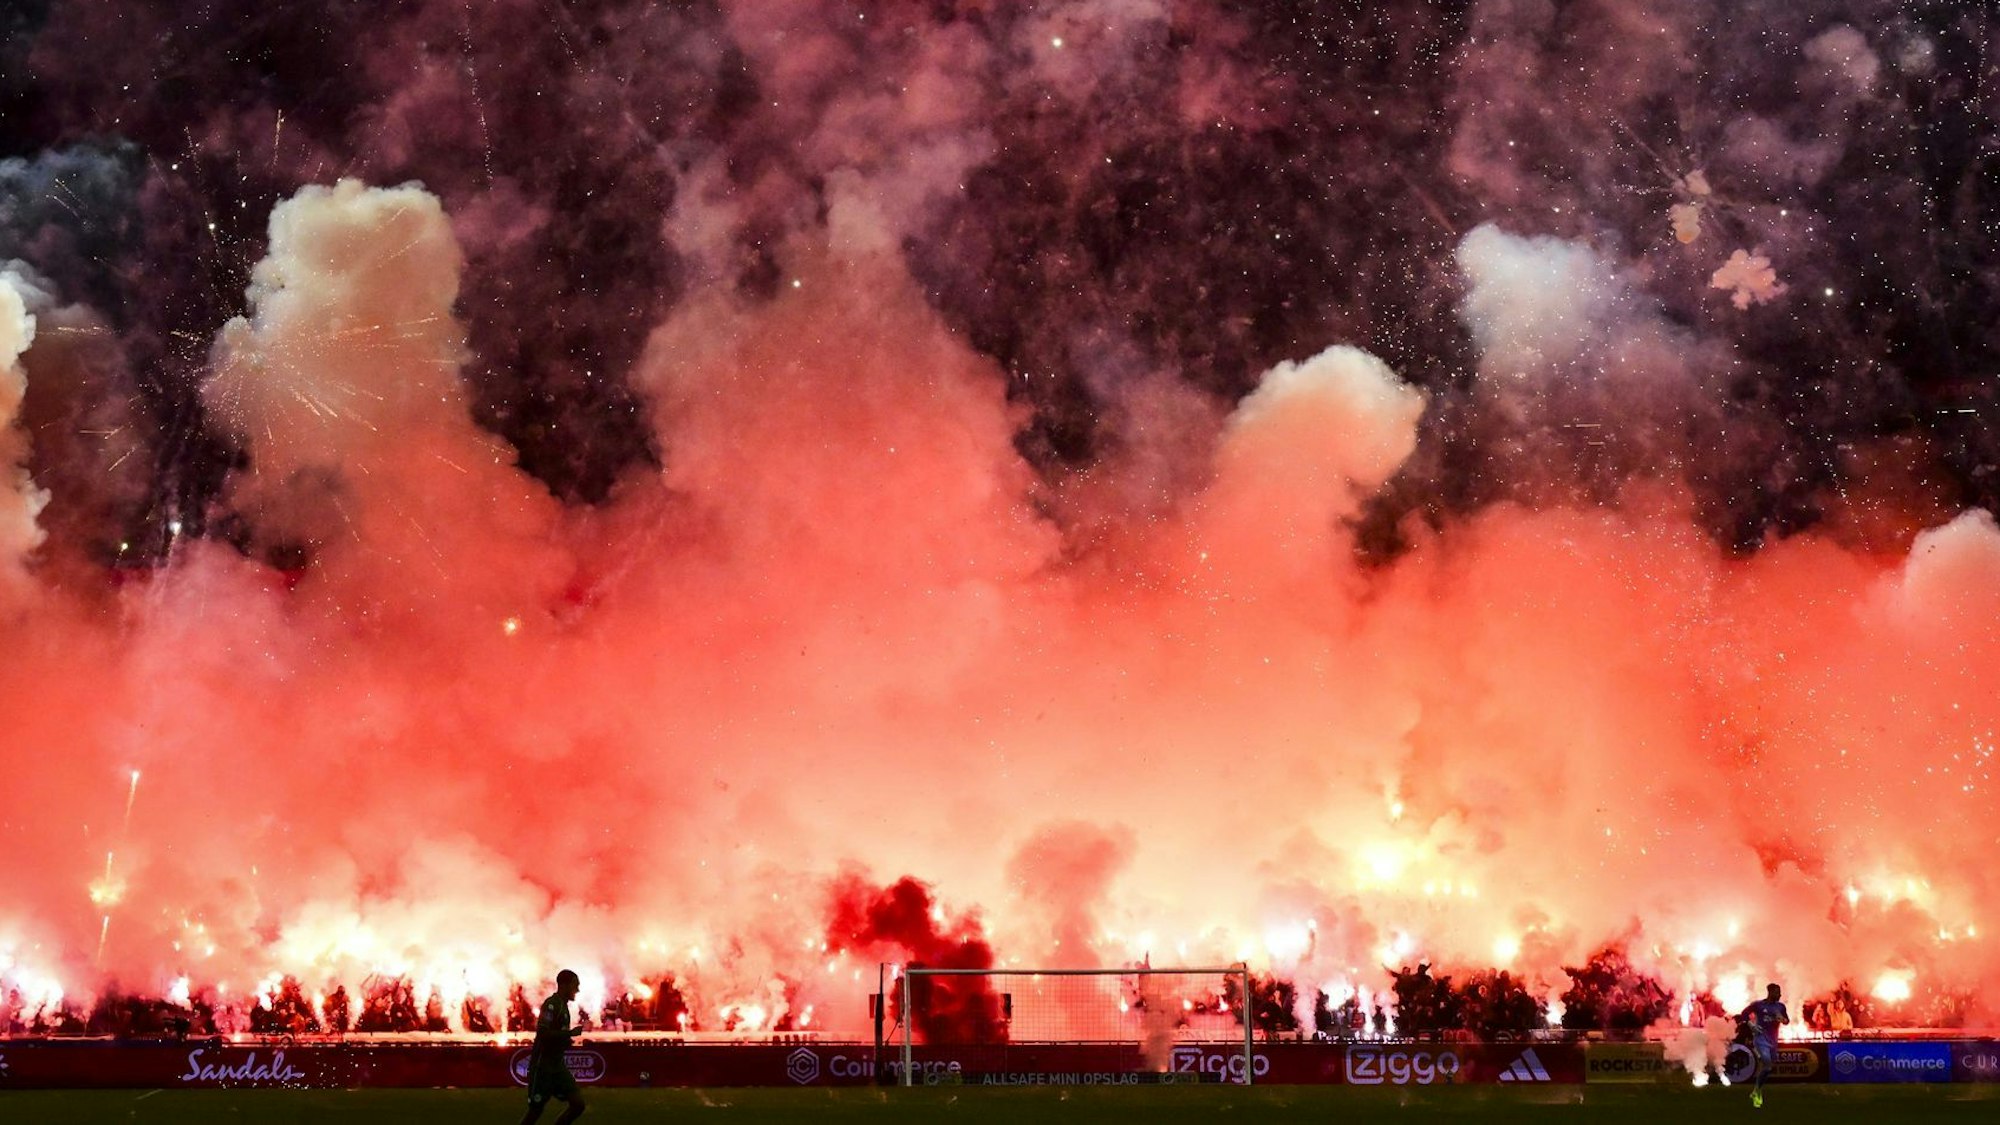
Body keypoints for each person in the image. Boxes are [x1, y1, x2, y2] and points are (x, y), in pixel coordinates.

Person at [519, 970, 587, 1124]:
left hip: (558, 1066)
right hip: (543, 1067)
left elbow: (556, 1035)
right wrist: (568, 1034)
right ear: (564, 985)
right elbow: (543, 1033)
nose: (577, 990)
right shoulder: (551, 1005)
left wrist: (565, 1040)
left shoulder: (563, 1006)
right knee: (535, 1110)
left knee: (578, 1104)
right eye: (575, 985)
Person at [1738, 983, 1789, 1109]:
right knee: (1767, 1064)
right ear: (1770, 992)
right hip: (1760, 1039)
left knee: (1768, 1068)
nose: (1780, 994)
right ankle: (1757, 1094)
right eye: (1777, 992)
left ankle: (1756, 1090)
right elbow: (1744, 1013)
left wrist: (1782, 1019)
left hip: (1773, 1041)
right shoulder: (1759, 1005)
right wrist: (1751, 1024)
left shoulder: (1781, 1006)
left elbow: (1787, 1021)